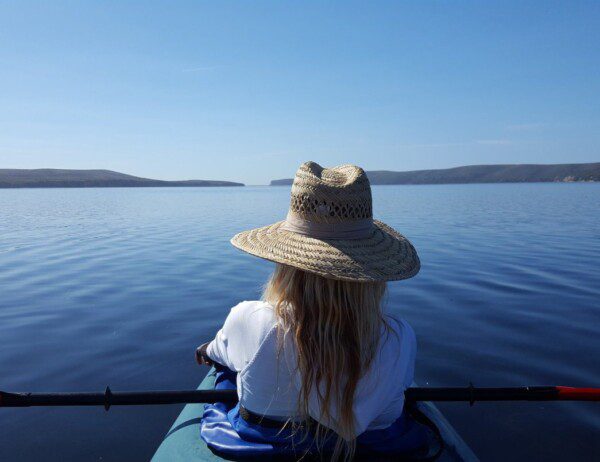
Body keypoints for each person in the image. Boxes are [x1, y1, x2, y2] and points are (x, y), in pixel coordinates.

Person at [196, 161, 425, 460]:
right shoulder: (399, 336)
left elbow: (218, 352)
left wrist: (208, 349)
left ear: (286, 263)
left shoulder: (251, 320)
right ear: (372, 273)